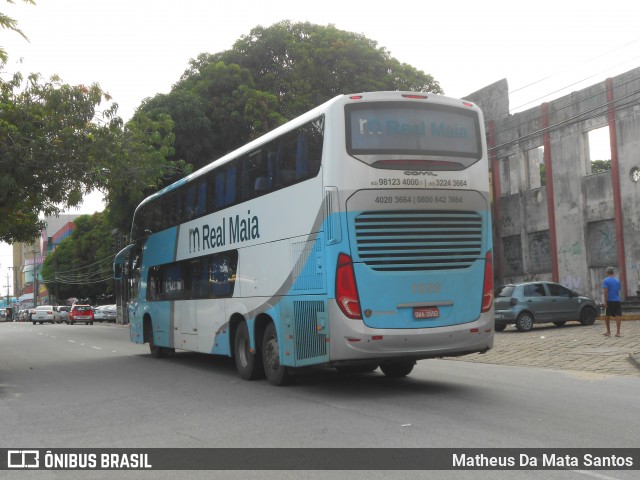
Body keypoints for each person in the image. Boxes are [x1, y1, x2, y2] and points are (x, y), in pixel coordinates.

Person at [602, 266, 622, 337]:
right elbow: (618, 289)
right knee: (618, 315)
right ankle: (618, 332)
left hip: (609, 300)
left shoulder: (605, 281)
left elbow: (605, 291)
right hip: (617, 300)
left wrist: (605, 301)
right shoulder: (617, 281)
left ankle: (608, 332)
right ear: (613, 272)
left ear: (607, 272)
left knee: (607, 315)